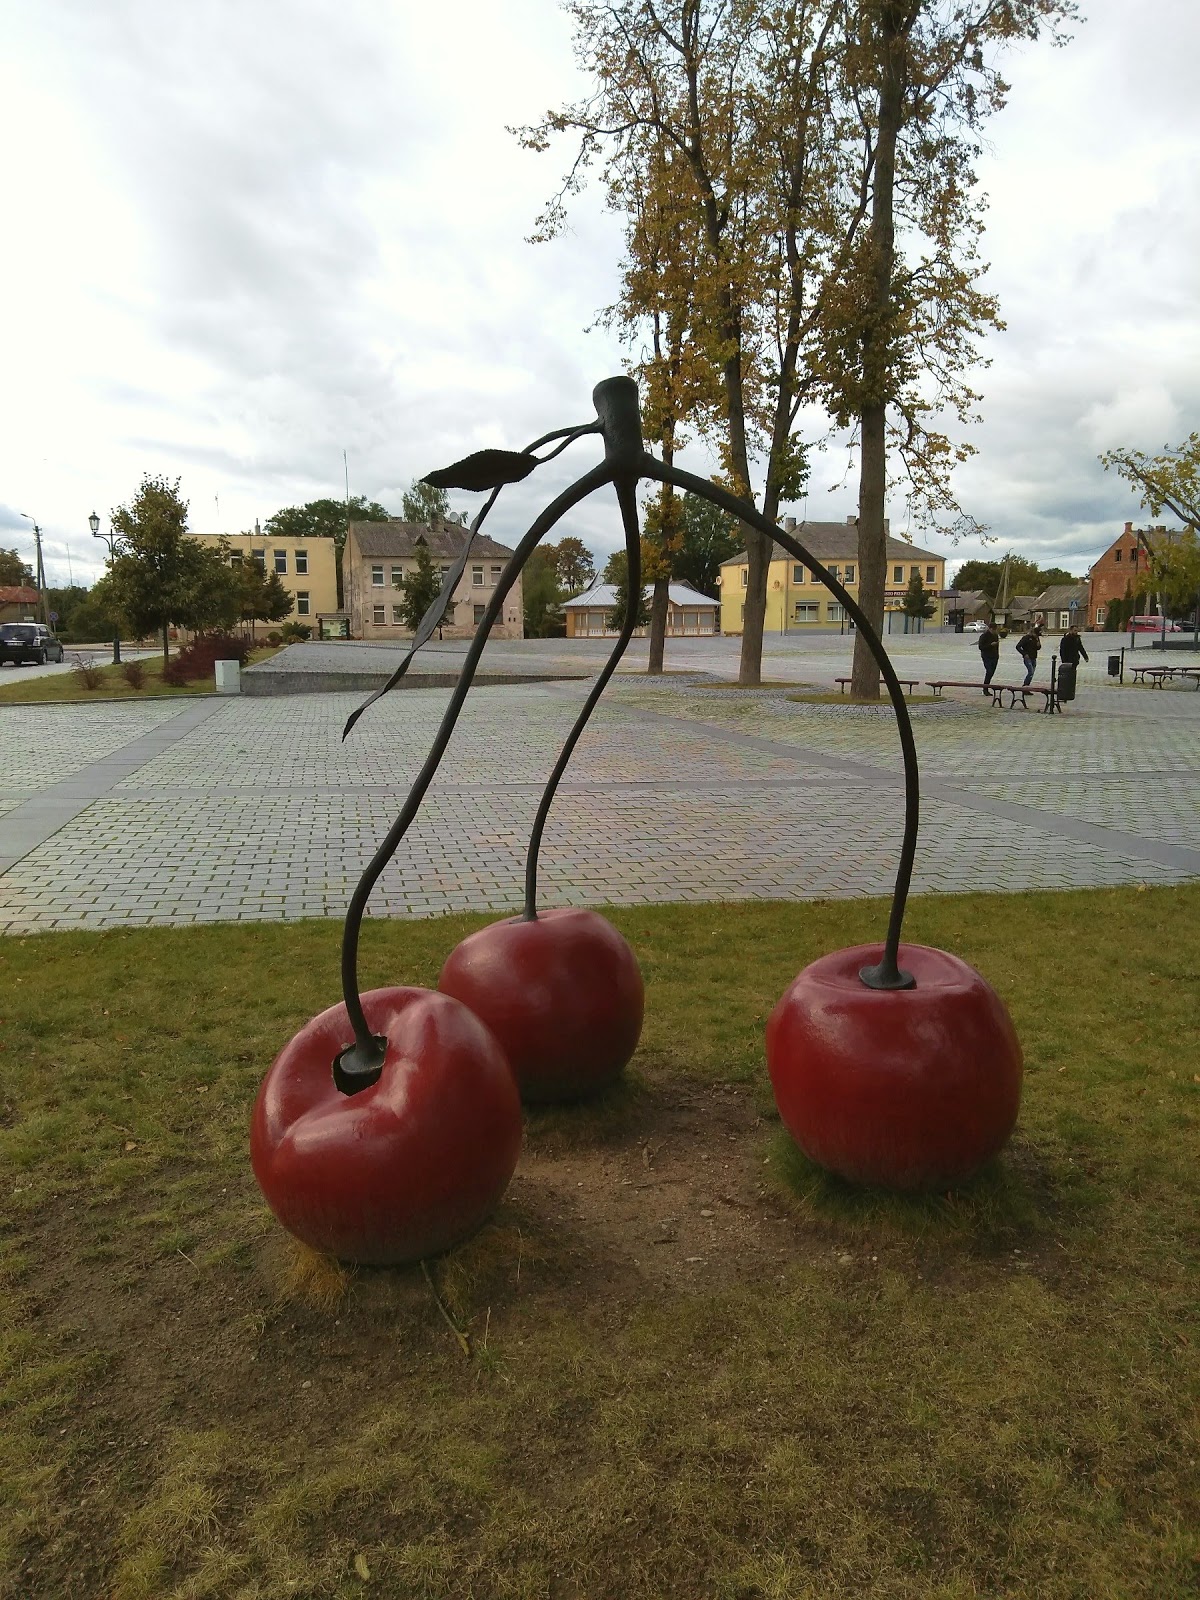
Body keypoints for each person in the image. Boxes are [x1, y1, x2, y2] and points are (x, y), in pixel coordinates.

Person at [977, 621, 1001, 690]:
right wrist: (990, 645)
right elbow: (981, 647)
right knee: (989, 671)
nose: (995, 631)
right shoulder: (984, 636)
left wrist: (997, 655)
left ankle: (986, 685)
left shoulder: (995, 635)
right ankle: (985, 688)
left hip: (994, 656)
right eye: (994, 630)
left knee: (992, 672)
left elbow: (997, 646)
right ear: (990, 629)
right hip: (986, 656)